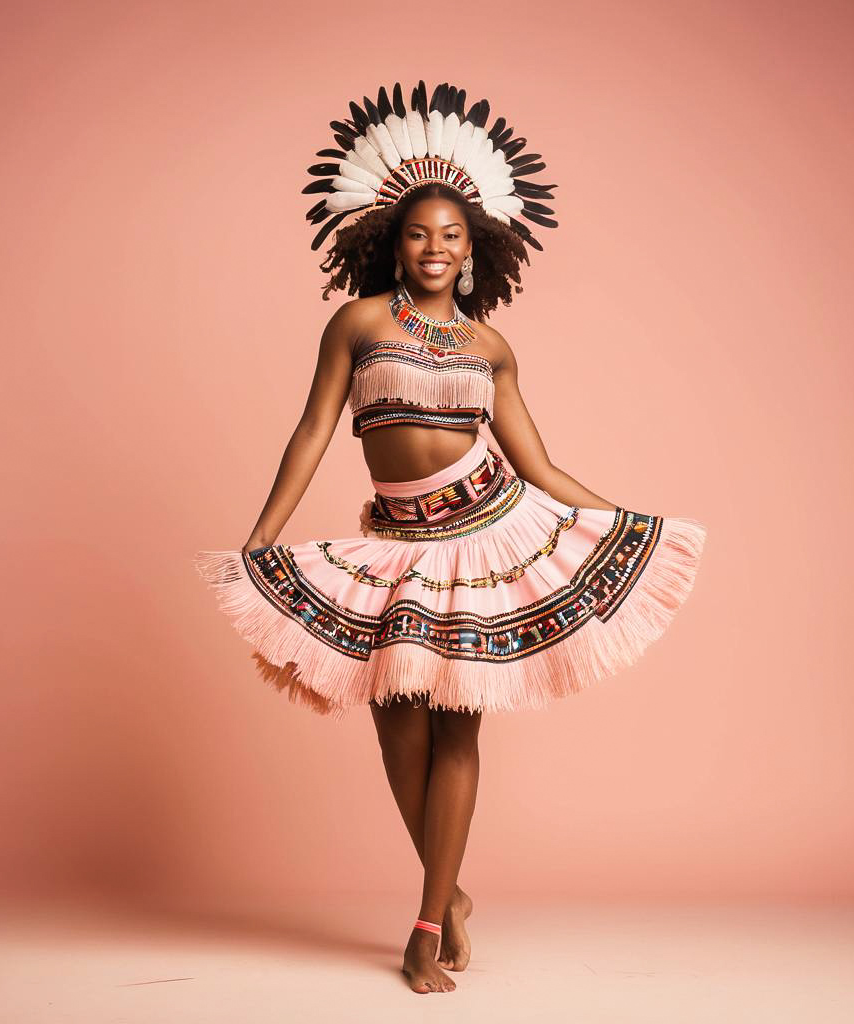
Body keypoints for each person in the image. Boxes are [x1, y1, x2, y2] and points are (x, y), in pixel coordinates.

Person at [194, 80, 707, 994]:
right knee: (398, 734)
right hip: (394, 546)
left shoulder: (491, 348)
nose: (435, 248)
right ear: (393, 244)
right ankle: (455, 892)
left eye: (451, 237)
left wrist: (622, 522)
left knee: (459, 733)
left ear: (476, 251)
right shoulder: (354, 324)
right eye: (419, 234)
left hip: (484, 539)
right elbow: (313, 432)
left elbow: (539, 466)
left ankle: (426, 925)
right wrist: (262, 539)